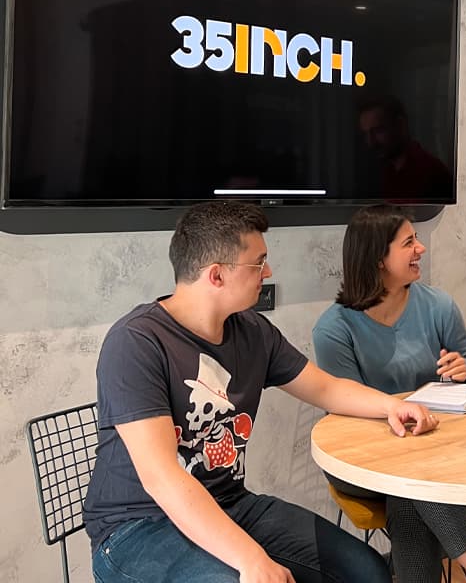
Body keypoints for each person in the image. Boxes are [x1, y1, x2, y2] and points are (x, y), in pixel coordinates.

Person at [84, 200, 441, 583]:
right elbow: (163, 479)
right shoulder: (136, 342)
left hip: (230, 504)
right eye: (258, 263)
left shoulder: (253, 332)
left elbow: (325, 387)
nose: (268, 272)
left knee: (367, 571)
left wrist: (390, 406)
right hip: (139, 528)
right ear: (216, 275)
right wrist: (250, 557)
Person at [312, 205, 466, 582]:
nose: (420, 249)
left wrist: (465, 368)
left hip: (433, 446)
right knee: (414, 476)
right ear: (379, 258)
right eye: (409, 242)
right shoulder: (334, 328)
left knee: (409, 489)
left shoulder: (437, 305)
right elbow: (345, 410)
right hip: (362, 458)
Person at [357, 95, 453, 201]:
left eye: (378, 130)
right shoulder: (389, 172)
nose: (371, 142)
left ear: (400, 125)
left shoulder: (430, 172)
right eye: (366, 134)